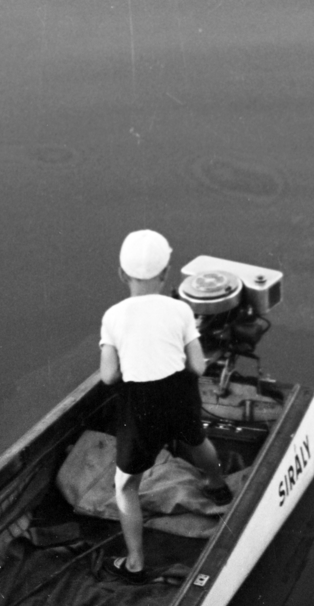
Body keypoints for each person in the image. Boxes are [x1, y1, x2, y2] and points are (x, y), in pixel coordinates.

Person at [99, 228, 231, 584]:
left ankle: (135, 562)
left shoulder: (114, 316)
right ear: (166, 273)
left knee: (126, 484)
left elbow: (109, 376)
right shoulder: (181, 310)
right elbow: (199, 367)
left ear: (122, 273)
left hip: (139, 405)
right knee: (196, 439)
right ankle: (218, 485)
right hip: (178, 394)